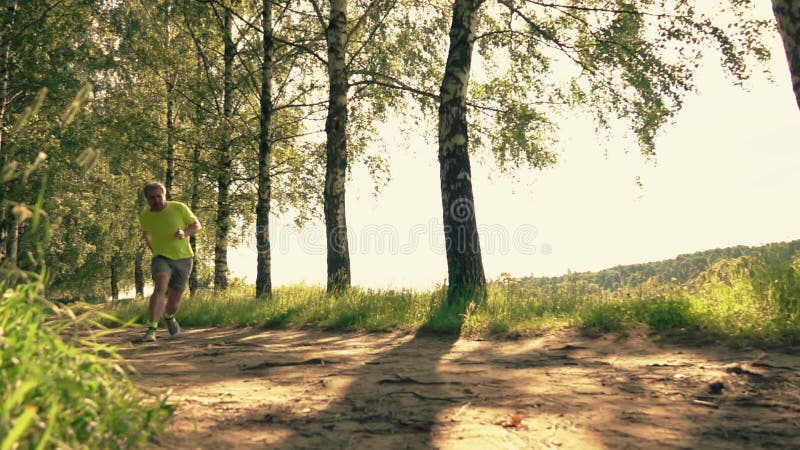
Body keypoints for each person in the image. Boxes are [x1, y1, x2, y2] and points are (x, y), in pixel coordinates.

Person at [139, 181, 201, 341]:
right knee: (160, 285)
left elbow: (196, 225)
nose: (157, 200)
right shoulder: (145, 216)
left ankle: (168, 316)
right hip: (161, 257)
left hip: (184, 258)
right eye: (152, 198)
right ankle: (152, 329)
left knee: (174, 300)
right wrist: (155, 251)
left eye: (159, 196)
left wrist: (184, 233)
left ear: (164, 195)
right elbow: (147, 235)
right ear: (146, 199)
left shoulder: (178, 208)